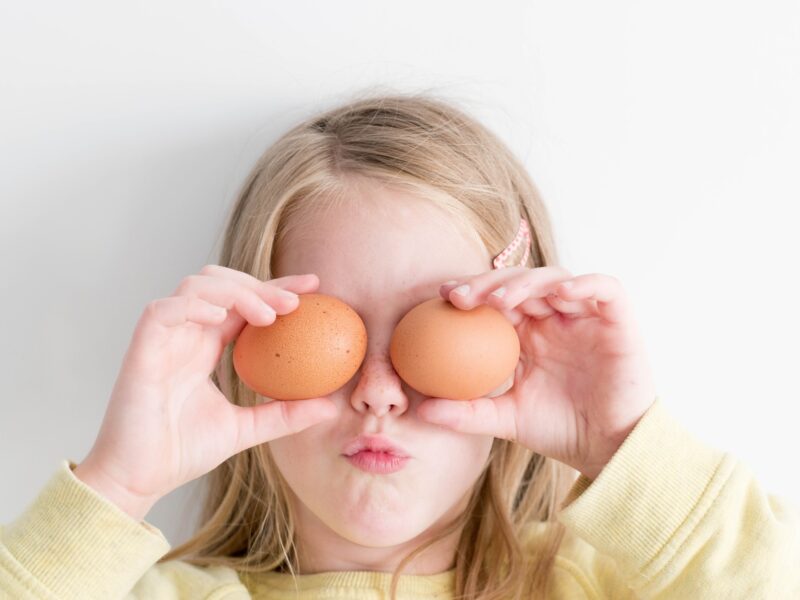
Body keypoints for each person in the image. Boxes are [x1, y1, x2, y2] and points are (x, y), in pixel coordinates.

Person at [2, 91, 798, 600]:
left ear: (516, 350)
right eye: (330, 334)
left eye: (436, 329)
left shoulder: (611, 584)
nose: (379, 392)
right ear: (245, 350)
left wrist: (624, 446)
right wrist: (117, 486)